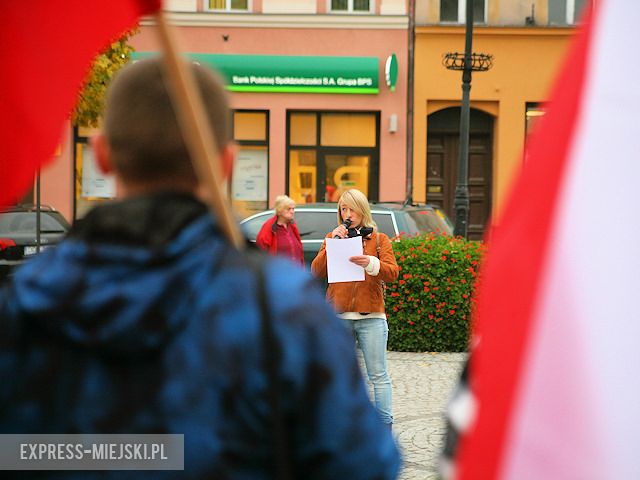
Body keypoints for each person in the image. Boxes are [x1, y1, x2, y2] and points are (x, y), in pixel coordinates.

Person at [0, 58, 400, 478]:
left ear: (102, 155)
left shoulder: (27, 302)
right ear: (226, 162)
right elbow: (363, 467)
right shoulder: (280, 310)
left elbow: (16, 454)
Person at [311, 189, 399, 429]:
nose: (347, 214)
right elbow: (315, 272)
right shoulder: (333, 236)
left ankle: (384, 426)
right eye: (343, 209)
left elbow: (392, 273)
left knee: (378, 375)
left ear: (362, 209)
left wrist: (370, 263)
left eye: (351, 208)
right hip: (338, 316)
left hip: (371, 315)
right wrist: (333, 244)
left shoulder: (379, 240)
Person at [255, 194, 303, 265]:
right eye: (288, 209)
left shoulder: (292, 226)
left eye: (293, 209)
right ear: (279, 211)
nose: (292, 212)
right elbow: (261, 253)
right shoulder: (269, 227)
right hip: (278, 273)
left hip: (296, 272)